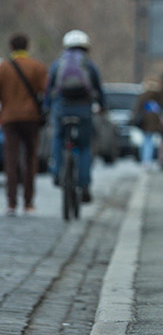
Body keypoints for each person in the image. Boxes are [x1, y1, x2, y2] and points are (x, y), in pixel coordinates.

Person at [46, 30, 106, 204]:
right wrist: (103, 106)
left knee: (58, 137)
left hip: (62, 108)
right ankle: (84, 184)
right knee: (85, 145)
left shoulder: (58, 63)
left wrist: (47, 107)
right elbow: (99, 89)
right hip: (83, 109)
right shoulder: (89, 64)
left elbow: (49, 89)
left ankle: (57, 172)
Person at [0, 33, 47, 215]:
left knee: (11, 159)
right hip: (31, 118)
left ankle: (11, 203)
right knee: (30, 158)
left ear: (11, 47)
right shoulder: (37, 66)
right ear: (27, 47)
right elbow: (46, 91)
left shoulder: (3, 68)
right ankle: (28, 202)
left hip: (9, 118)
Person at [132, 77, 163, 169]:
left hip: (145, 121)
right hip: (154, 122)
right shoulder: (158, 96)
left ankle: (145, 159)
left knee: (145, 140)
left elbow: (137, 108)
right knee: (150, 140)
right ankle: (148, 160)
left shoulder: (144, 95)